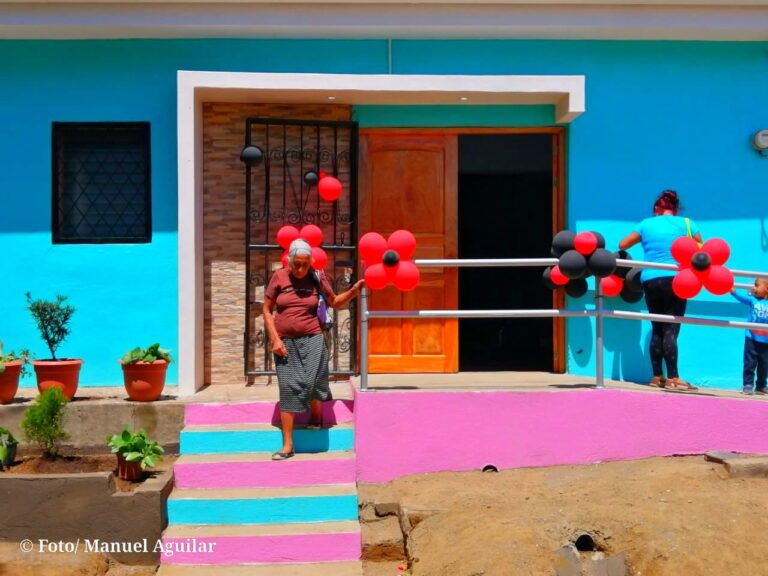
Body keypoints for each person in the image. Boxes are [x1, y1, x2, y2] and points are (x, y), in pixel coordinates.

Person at [263, 238, 364, 460]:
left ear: (311, 263)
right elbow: (266, 309)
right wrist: (275, 339)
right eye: (296, 264)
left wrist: (353, 292)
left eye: (305, 264)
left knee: (315, 380)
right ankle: (288, 445)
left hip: (313, 337)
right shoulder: (279, 277)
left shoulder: (318, 277)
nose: (300, 269)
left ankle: (316, 414)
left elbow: (335, 302)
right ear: (289, 260)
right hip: (285, 341)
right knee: (289, 387)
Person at [618, 190, 701, 391]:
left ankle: (657, 376)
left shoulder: (646, 223)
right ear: (675, 208)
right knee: (671, 328)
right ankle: (674, 377)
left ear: (657, 208)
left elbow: (622, 244)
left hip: (651, 279)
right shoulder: (687, 224)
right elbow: (701, 249)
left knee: (657, 327)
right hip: (677, 279)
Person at [730, 278, 768, 395]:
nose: (754, 288)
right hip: (751, 337)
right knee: (750, 362)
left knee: (764, 363)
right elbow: (741, 298)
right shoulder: (752, 300)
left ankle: (761, 385)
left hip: (766, 339)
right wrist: (732, 291)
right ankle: (748, 384)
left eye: (757, 285)